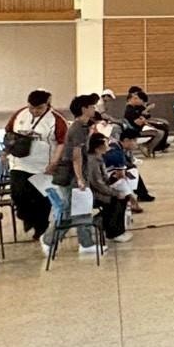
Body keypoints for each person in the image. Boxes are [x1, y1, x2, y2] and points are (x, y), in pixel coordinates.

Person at [4, 90, 65, 240]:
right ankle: (26, 217)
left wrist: (54, 163)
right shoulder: (20, 114)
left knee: (40, 199)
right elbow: (8, 132)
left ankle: (40, 228)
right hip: (19, 163)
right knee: (18, 193)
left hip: (43, 167)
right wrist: (5, 152)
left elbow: (62, 143)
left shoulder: (56, 119)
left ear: (47, 105)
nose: (35, 111)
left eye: (39, 108)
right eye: (32, 107)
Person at [45, 94, 100, 255]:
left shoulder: (83, 127)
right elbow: (76, 156)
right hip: (71, 176)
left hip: (76, 174)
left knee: (80, 208)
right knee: (72, 210)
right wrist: (80, 179)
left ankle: (85, 243)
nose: (94, 109)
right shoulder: (77, 129)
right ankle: (49, 239)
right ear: (84, 109)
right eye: (92, 106)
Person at [80, 131, 135, 243]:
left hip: (102, 189)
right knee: (117, 200)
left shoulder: (98, 158)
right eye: (106, 144)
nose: (108, 146)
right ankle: (114, 232)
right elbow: (97, 183)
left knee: (123, 197)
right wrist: (115, 193)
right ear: (98, 147)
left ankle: (114, 227)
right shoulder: (93, 161)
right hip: (95, 193)